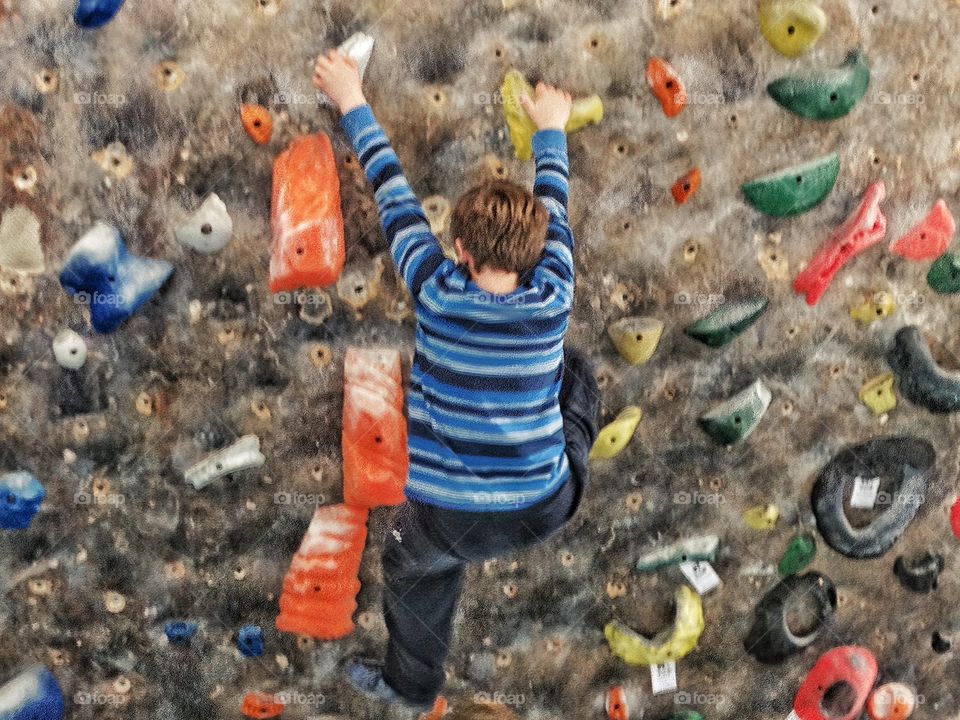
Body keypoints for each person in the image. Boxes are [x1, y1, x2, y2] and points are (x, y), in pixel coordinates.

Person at [313, 49, 599, 712]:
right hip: (545, 504)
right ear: (538, 252)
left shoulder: (436, 289)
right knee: (579, 375)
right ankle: (569, 423)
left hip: (452, 518)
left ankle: (412, 687)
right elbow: (552, 196)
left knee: (409, 570)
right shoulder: (553, 291)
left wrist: (350, 96)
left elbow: (391, 191)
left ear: (460, 253)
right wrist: (550, 125)